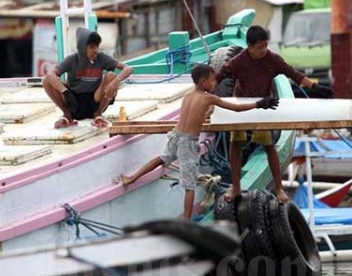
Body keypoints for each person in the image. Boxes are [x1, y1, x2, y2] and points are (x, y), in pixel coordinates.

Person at [119, 64, 279, 219]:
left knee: (162, 159)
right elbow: (236, 108)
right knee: (190, 186)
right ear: (203, 82)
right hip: (187, 143)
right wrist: (259, 104)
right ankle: (187, 221)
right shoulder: (209, 98)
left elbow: (193, 118)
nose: (215, 83)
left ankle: (131, 177)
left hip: (175, 135)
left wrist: (208, 113)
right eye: (212, 80)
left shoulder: (188, 96)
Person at [217, 26, 334, 204]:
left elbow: (293, 74)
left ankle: (279, 188)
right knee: (236, 143)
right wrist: (204, 95)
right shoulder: (238, 61)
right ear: (249, 46)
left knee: (269, 145)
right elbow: (218, 77)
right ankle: (236, 187)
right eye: (260, 47)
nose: (264, 50)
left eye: (266, 45)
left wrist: (314, 87)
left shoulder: (272, 60)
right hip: (243, 105)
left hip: (264, 106)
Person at [43, 27, 133, 128]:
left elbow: (128, 68)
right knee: (46, 81)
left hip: (94, 101)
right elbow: (50, 75)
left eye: (97, 47)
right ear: (83, 48)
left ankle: (98, 115)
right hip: (73, 102)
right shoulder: (72, 60)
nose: (95, 50)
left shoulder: (101, 58)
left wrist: (116, 82)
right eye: (91, 47)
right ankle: (67, 116)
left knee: (111, 76)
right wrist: (64, 91)